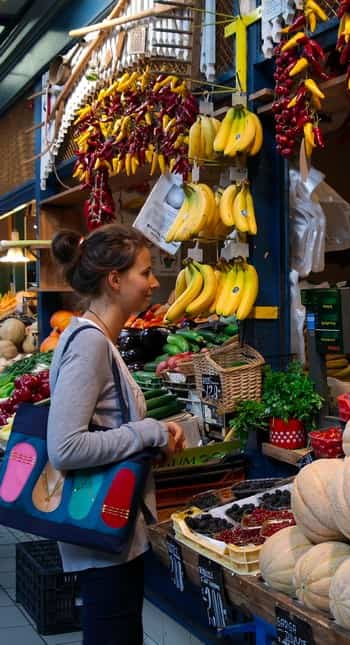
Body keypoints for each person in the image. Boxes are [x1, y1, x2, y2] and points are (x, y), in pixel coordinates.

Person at [47, 224, 184, 645]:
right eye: (145, 272)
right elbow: (66, 447)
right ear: (114, 279)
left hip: (111, 532)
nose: (154, 282)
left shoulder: (95, 338)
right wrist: (146, 432)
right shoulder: (90, 343)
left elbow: (102, 429)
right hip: (103, 534)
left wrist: (148, 442)